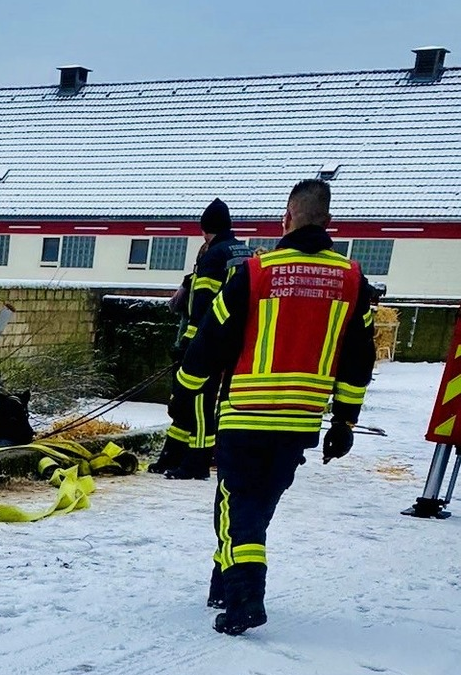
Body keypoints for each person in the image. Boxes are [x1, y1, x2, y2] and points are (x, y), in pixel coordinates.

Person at [171, 179, 375, 635]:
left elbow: (211, 340)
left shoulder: (257, 273)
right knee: (258, 503)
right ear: (329, 222)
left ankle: (245, 596)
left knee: (234, 504)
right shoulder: (352, 280)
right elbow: (360, 357)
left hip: (247, 413)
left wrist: (184, 390)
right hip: (299, 421)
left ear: (286, 218)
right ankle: (224, 582)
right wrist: (344, 421)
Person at [152, 199, 253, 479]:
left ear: (205, 230)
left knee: (197, 399)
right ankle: (173, 454)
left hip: (210, 340)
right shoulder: (244, 252)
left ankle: (195, 462)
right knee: (200, 401)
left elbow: (204, 304)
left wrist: (188, 343)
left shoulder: (213, 255)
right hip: (238, 340)